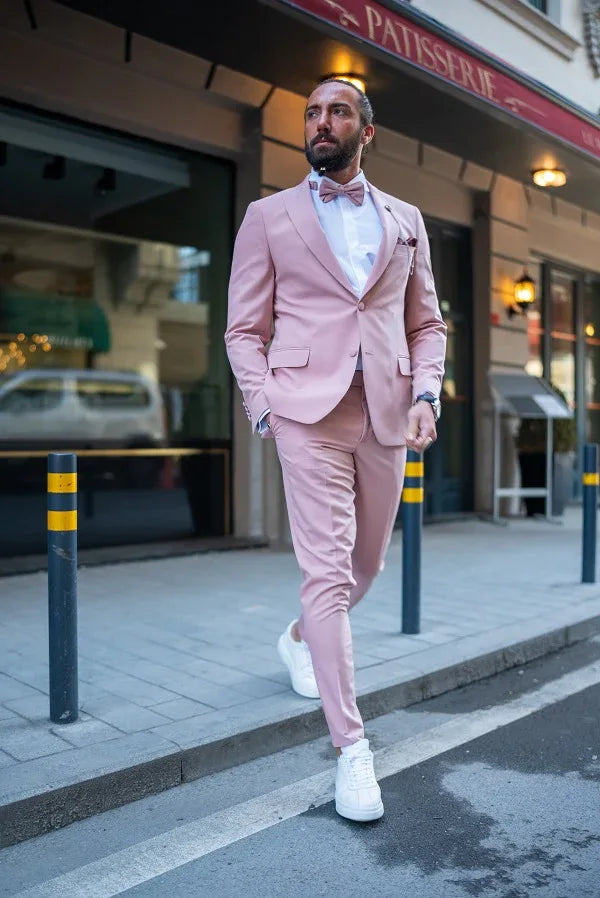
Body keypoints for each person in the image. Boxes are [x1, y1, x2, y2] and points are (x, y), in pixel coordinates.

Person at [225, 79, 446, 822]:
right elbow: (243, 329)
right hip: (304, 412)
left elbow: (426, 324)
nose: (322, 122)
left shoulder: (407, 220)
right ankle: (352, 749)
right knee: (325, 573)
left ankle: (298, 640)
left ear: (365, 131)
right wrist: (264, 406)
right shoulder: (267, 216)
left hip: (387, 410)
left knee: (365, 566)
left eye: (338, 112)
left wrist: (426, 395)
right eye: (313, 112)